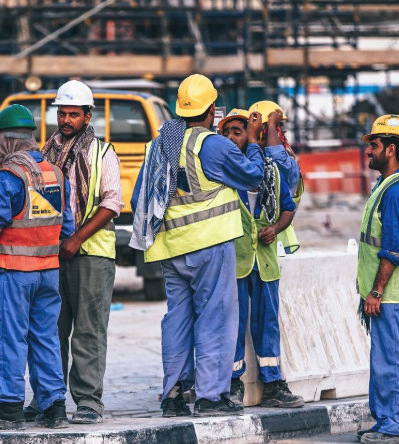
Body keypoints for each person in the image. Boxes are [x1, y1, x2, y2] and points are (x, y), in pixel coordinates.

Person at [130, 74, 266, 418]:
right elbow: (252, 176)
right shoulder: (213, 145)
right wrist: (251, 140)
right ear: (212, 111)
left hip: (169, 249)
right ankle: (210, 396)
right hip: (210, 244)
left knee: (177, 319)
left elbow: (139, 199)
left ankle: (174, 395)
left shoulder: (160, 144)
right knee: (215, 318)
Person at [0, 105, 74, 430]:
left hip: (13, 271)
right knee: (45, 337)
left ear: (6, 141)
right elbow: (65, 229)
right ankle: (54, 407)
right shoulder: (55, 173)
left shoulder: (6, 176)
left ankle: (8, 407)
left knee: (8, 337)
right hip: (48, 272)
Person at [29, 80, 123, 424]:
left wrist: (76, 239)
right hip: (51, 254)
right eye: (62, 113)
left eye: (73, 114)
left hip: (91, 255)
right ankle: (48, 398)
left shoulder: (103, 152)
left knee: (87, 329)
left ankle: (88, 401)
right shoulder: (45, 153)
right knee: (50, 329)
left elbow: (112, 203)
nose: (66, 119)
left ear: (87, 116)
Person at [218, 109, 304, 409]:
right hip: (236, 261)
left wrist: (276, 228)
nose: (230, 137)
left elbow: (288, 207)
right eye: (226, 132)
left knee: (268, 323)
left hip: (265, 263)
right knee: (234, 324)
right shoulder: (223, 173)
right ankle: (231, 384)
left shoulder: (271, 172)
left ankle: (273, 384)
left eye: (237, 132)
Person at [356, 114, 399, 444]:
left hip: (391, 292)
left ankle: (396, 426)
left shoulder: (397, 192)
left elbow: (393, 248)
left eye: (375, 145)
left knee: (392, 360)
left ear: (391, 149)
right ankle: (386, 422)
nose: (368, 150)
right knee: (384, 359)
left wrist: (377, 291)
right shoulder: (391, 185)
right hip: (389, 292)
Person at [249, 101, 304, 254]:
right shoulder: (253, 162)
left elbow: (277, 159)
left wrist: (271, 125)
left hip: (279, 241)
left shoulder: (287, 162)